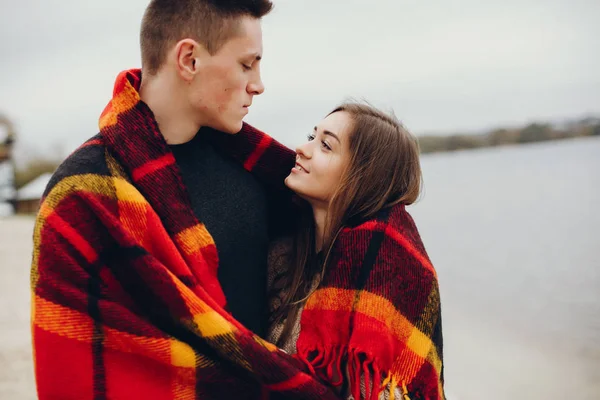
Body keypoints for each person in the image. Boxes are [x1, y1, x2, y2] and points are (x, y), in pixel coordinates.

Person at [30, 1, 342, 399]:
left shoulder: (261, 173)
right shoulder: (83, 197)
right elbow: (71, 370)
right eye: (248, 65)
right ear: (189, 59)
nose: (259, 84)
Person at [266, 102, 445, 399]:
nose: (302, 148)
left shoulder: (386, 270)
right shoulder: (282, 254)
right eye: (311, 137)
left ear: (363, 175)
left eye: (325, 145)